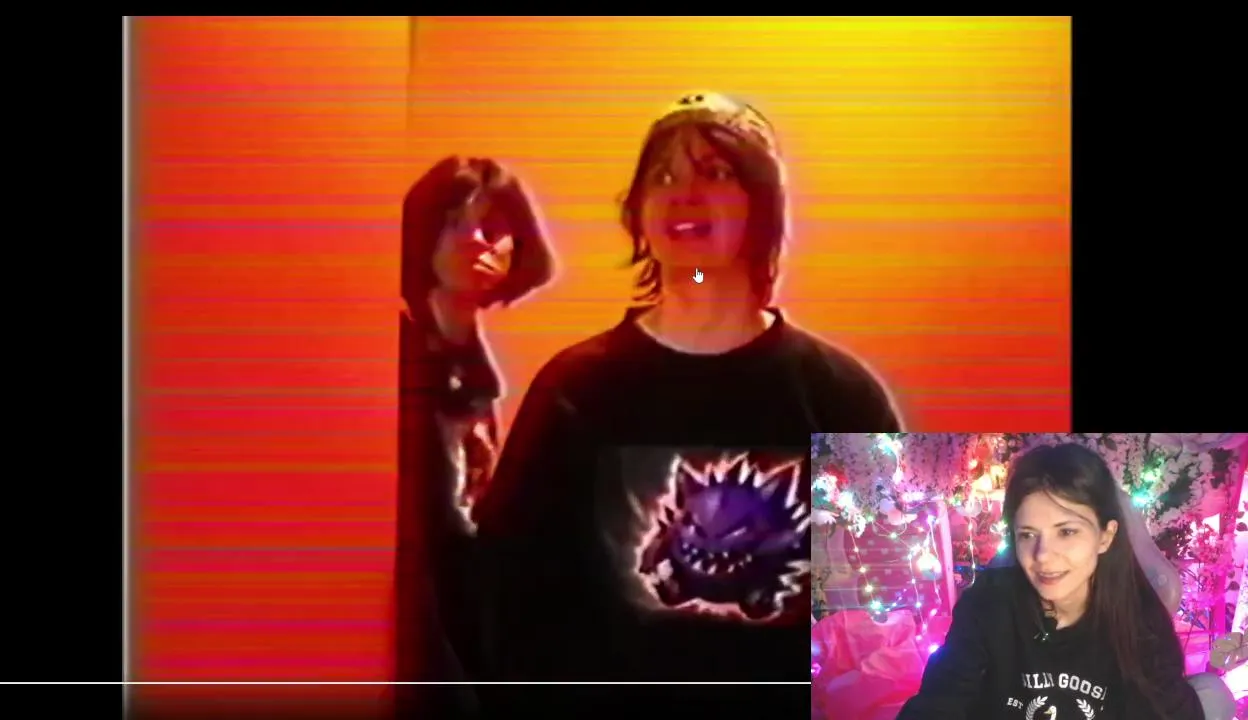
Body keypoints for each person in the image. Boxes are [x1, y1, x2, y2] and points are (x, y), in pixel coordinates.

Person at [470, 91, 901, 690]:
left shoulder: (842, 397)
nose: (684, 195)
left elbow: (886, 616)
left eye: (715, 173)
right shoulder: (575, 390)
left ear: (763, 207)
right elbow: (509, 604)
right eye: (664, 177)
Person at [394, 156, 554, 711]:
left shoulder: (481, 376)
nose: (476, 241)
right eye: (454, 223)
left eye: (493, 226)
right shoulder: (395, 358)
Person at [896, 443, 1205, 720]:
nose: (1042, 555)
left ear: (1105, 536)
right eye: (1028, 534)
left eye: (1066, 532)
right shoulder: (989, 603)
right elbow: (941, 698)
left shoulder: (1140, 621)